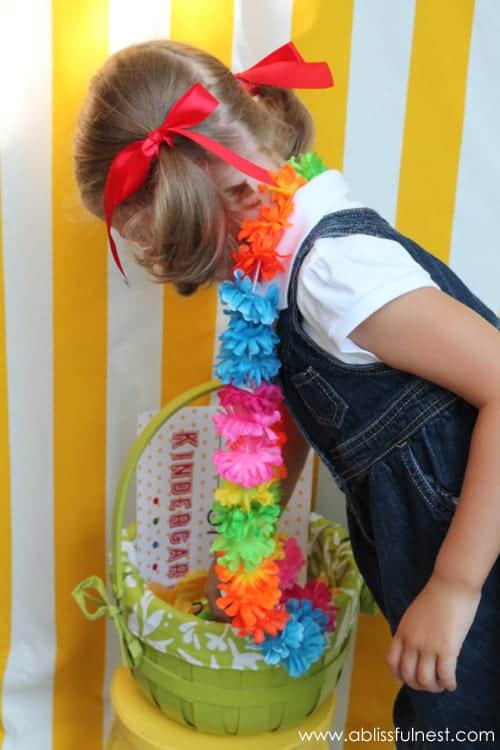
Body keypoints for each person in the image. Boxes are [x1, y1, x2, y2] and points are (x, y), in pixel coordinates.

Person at [74, 38, 500, 748]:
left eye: (172, 246)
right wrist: (246, 548)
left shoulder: (333, 273)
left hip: (478, 560)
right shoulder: (276, 258)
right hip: (435, 548)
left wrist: (455, 587)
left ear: (236, 195)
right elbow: (298, 409)